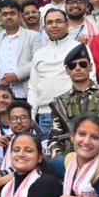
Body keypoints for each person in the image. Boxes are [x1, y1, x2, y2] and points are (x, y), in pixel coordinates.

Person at [47, 44, 99, 158]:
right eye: (72, 66)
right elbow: (54, 138)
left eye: (82, 64)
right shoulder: (60, 103)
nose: (77, 68)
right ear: (67, 70)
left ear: (90, 67)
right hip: (71, 159)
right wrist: (63, 161)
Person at [28, 8, 78, 136]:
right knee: (49, 155)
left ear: (67, 24)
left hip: (73, 113)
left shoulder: (78, 49)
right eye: (49, 22)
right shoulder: (39, 54)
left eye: (58, 21)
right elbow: (33, 88)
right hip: (45, 115)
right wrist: (31, 116)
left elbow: (90, 80)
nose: (54, 25)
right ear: (44, 28)